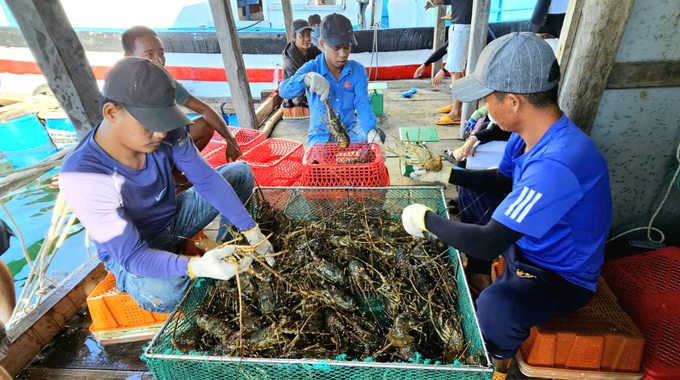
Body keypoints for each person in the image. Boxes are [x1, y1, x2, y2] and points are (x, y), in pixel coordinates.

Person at [403, 33, 612, 379]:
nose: (483, 106)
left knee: (496, 307)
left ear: (512, 102)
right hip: (527, 243)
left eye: (487, 97)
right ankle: (481, 273)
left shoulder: (558, 163)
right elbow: (501, 182)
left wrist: (425, 219)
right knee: (470, 187)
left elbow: (488, 241)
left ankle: (498, 367)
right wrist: (448, 175)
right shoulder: (525, 135)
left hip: (557, 275)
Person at [60, 57, 276, 314]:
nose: (161, 133)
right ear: (111, 113)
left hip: (173, 220)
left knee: (239, 173)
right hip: (136, 251)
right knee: (165, 293)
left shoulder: (167, 130)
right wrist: (194, 267)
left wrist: (251, 230)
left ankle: (228, 253)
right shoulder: (84, 175)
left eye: (165, 121)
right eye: (151, 124)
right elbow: (133, 256)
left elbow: (206, 179)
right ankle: (203, 267)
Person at [122, 26, 241, 162]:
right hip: (139, 154)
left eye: (161, 53)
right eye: (149, 55)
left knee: (204, 125)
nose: (159, 61)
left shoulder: (165, 82)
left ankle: (176, 174)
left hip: (165, 142)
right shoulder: (122, 89)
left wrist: (231, 141)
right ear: (129, 58)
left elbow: (204, 109)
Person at [279, 14, 384, 147]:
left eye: (347, 47)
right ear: (322, 44)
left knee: (375, 139)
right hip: (320, 137)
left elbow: (363, 104)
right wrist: (305, 79)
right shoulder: (312, 67)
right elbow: (284, 91)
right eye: (336, 48)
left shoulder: (357, 71)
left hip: (350, 131)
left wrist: (371, 131)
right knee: (317, 163)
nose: (343, 54)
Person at [424, 0, 473, 125]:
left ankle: (456, 113)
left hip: (462, 26)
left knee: (456, 71)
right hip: (459, 25)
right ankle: (456, 106)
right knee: (458, 69)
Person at [413, 28, 496, 88]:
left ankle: (459, 105)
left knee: (457, 68)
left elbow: (458, 56)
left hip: (489, 65)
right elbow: (444, 49)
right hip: (481, 61)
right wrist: (425, 64)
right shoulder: (464, 29)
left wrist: (443, 70)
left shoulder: (469, 30)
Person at [282, 19, 322, 109]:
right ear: (293, 37)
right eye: (302, 36)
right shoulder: (290, 57)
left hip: (313, 87)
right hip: (295, 97)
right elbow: (296, 88)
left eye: (308, 35)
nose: (307, 39)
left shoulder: (312, 49)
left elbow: (324, 62)